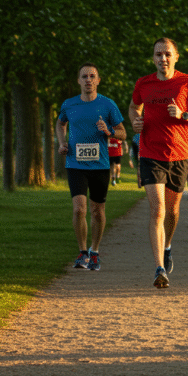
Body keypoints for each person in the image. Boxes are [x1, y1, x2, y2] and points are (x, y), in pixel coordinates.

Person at [128, 38, 188, 288]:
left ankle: (168, 245)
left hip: (179, 155)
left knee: (172, 211)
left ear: (176, 57)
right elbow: (134, 107)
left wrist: (184, 115)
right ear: (153, 58)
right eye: (158, 54)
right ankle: (159, 268)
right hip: (150, 154)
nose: (163, 59)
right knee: (158, 210)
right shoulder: (144, 83)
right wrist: (135, 120)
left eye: (167, 54)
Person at [56, 63, 126, 272]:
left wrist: (109, 131)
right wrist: (62, 143)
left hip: (100, 165)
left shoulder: (108, 104)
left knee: (97, 211)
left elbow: (123, 132)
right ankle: (82, 252)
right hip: (75, 164)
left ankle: (94, 251)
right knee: (79, 209)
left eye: (92, 76)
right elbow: (60, 124)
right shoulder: (69, 104)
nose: (88, 80)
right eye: (84, 76)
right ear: (78, 80)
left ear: (98, 80)